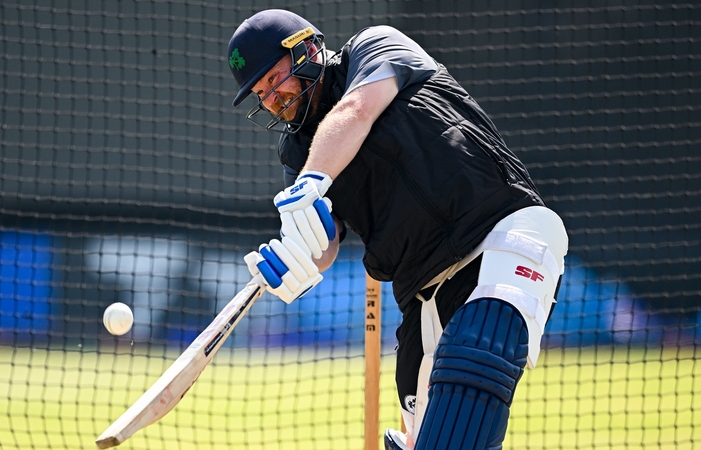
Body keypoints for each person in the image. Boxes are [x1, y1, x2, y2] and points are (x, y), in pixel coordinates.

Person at [228, 9, 568, 450]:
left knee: (471, 377)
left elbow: (357, 109)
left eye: (274, 81)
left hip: (500, 237)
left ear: (306, 51)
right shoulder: (298, 150)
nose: (271, 98)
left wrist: (311, 182)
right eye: (260, 93)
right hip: (422, 295)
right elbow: (326, 237)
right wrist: (296, 258)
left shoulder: (375, 47)